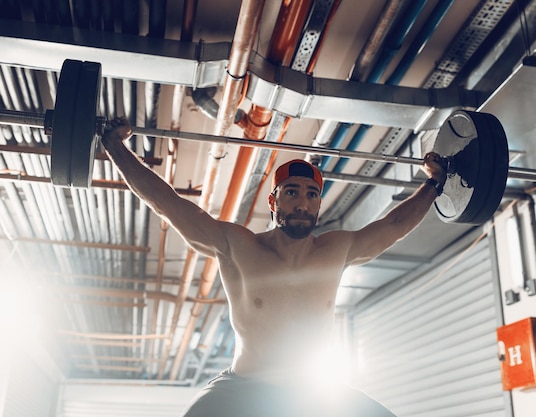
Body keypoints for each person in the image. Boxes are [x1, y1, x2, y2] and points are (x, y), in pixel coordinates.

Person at [102, 117, 447, 417]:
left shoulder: (336, 249)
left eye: (312, 195)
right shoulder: (238, 246)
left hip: (315, 393)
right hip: (243, 388)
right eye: (292, 192)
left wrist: (435, 183)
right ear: (273, 200)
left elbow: (394, 225)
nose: (302, 203)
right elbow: (166, 203)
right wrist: (115, 148)